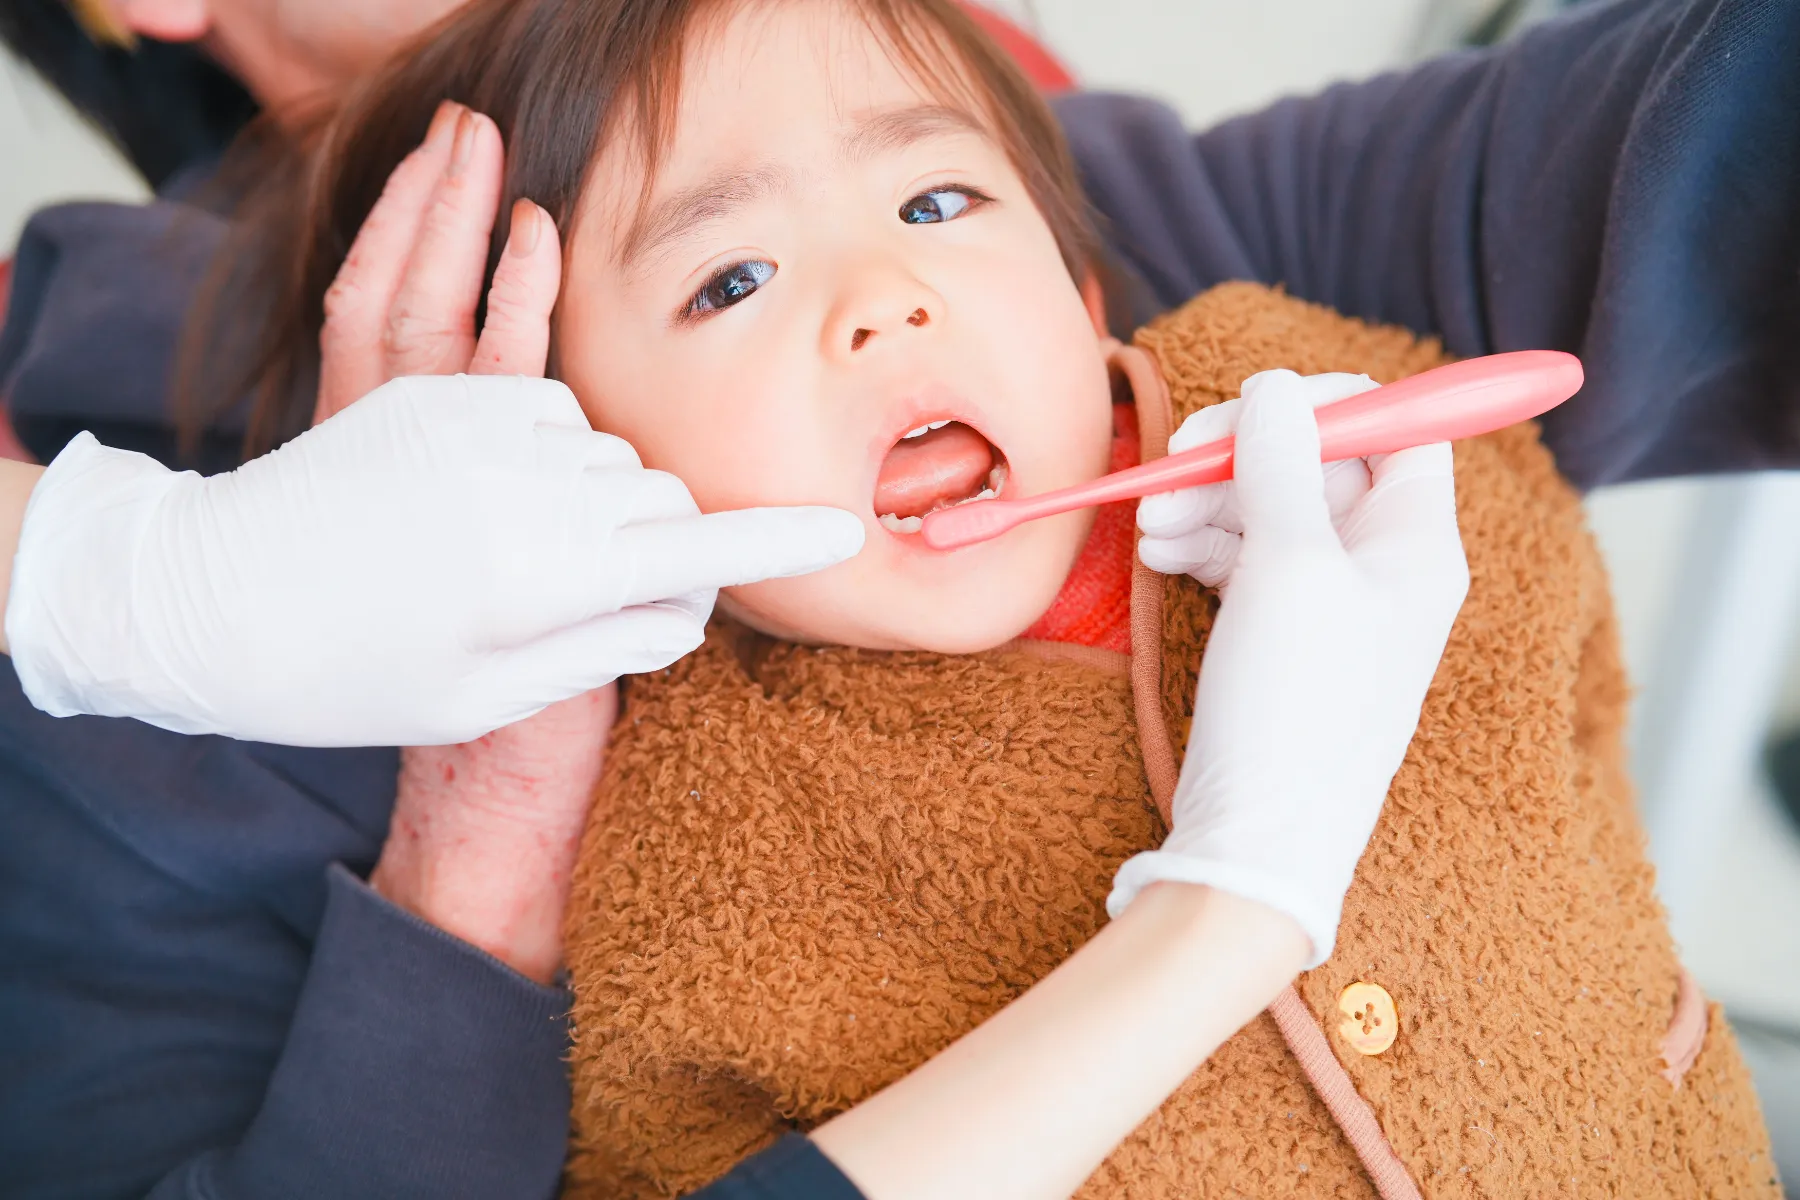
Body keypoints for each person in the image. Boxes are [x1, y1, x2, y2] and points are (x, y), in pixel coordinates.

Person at [2, 0, 1796, 1193]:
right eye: (729, 278)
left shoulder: (1277, 353)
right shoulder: (660, 852)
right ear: (571, 451)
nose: (891, 295)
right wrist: (478, 838)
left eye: (944, 196)